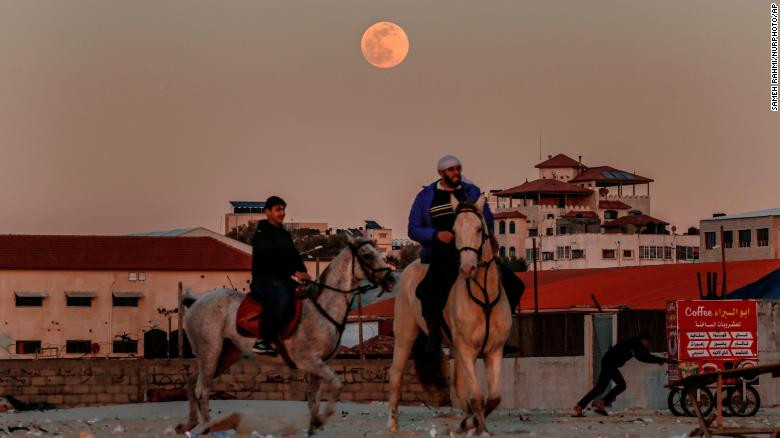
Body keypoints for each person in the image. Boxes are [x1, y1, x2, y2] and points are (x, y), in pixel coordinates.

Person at [408, 155, 496, 352]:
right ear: (441, 173)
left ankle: (500, 334)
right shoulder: (425, 197)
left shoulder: (471, 191)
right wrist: (436, 234)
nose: (456, 173)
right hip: (442, 252)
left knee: (513, 284)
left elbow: (488, 221)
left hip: (473, 250)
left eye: (458, 168)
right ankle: (434, 335)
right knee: (427, 291)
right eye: (451, 170)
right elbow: (413, 229)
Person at [249, 196, 311, 353]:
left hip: (281, 279)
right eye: (278, 210)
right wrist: (294, 272)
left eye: (283, 209)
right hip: (264, 280)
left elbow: (294, 256)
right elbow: (270, 261)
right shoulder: (262, 235)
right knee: (282, 297)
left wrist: (303, 272)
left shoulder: (284, 235)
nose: (282, 213)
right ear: (267, 212)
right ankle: (263, 339)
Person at [573, 332, 675, 416]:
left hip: (608, 362)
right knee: (621, 385)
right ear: (643, 340)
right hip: (610, 363)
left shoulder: (634, 343)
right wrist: (662, 360)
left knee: (600, 388)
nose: (647, 345)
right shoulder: (636, 344)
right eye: (647, 342)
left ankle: (581, 406)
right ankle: (600, 403)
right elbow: (644, 357)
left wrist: (660, 360)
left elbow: (643, 356)